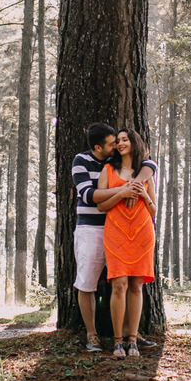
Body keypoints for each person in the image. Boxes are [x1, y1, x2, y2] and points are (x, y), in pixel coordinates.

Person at [72, 123, 155, 353]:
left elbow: (150, 163)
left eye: (119, 141)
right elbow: (89, 196)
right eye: (112, 143)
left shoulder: (122, 163)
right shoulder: (82, 161)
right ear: (99, 147)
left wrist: (138, 186)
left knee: (128, 283)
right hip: (92, 228)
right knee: (88, 282)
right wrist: (124, 190)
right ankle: (92, 335)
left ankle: (132, 335)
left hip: (126, 229)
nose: (116, 146)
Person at [97, 128, 157, 358]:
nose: (121, 144)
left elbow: (154, 209)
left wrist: (142, 194)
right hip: (116, 232)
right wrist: (122, 193)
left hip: (142, 231)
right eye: (118, 141)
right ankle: (117, 342)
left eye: (125, 140)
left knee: (136, 286)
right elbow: (101, 206)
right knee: (119, 284)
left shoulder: (146, 171)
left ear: (134, 142)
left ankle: (133, 340)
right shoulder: (109, 170)